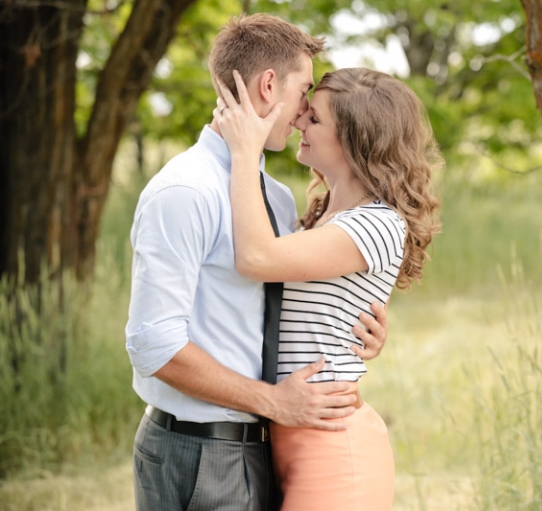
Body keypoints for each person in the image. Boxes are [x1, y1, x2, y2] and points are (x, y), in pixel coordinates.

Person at [125, 14, 389, 511]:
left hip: (263, 444)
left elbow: (289, 290)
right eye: (304, 90)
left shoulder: (275, 196)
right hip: (201, 449)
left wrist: (359, 325)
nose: (305, 109)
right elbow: (152, 343)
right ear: (269, 85)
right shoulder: (186, 190)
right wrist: (273, 402)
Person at [214, 66, 442, 510]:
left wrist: (245, 153)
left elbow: (257, 259)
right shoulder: (318, 217)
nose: (298, 120)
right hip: (289, 435)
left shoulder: (376, 223)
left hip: (333, 448)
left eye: (314, 119)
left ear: (357, 141)